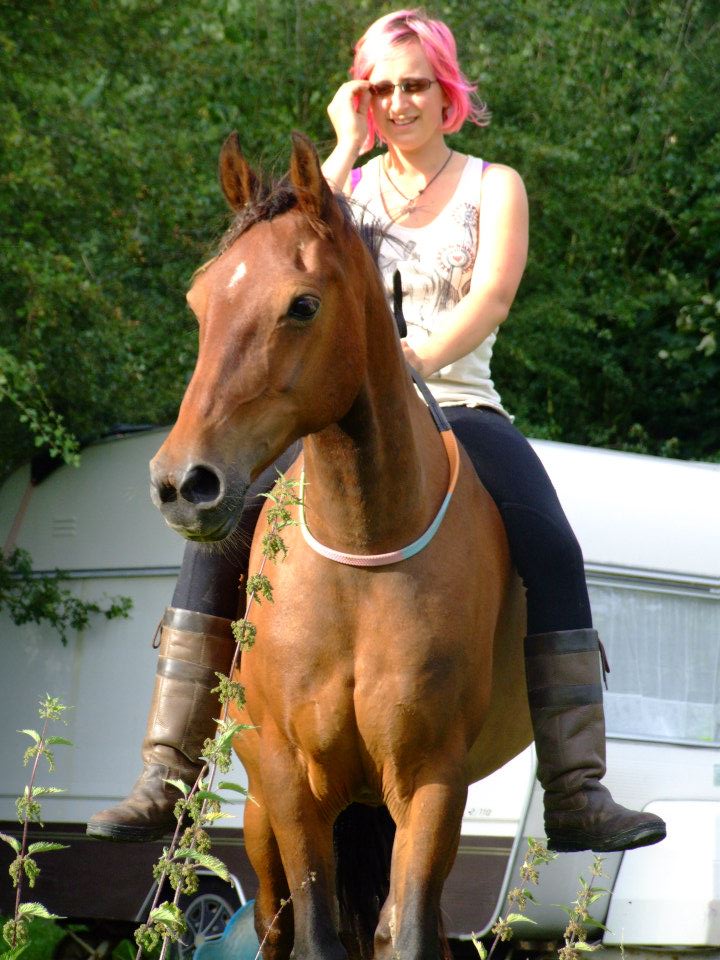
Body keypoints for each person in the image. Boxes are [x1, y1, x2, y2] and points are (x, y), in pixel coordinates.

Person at [88, 9, 666, 854]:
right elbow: (282, 237)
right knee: (219, 532)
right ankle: (168, 770)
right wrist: (342, 142)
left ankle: (577, 786)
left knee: (551, 540)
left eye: (415, 85)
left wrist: (415, 360)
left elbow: (491, 299)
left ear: (448, 93)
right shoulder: (346, 188)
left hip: (460, 404)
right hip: (340, 423)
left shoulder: (492, 183)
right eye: (381, 88)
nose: (399, 103)